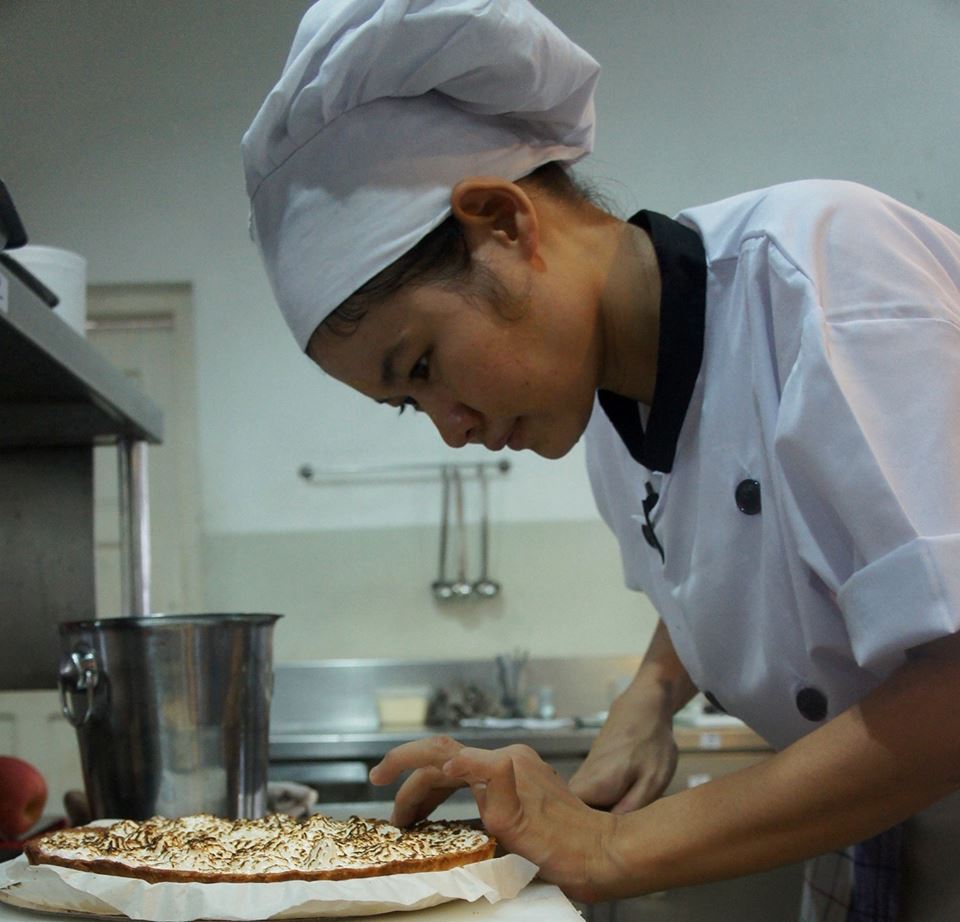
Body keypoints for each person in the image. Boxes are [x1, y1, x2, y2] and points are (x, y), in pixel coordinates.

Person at [242, 0, 960, 917]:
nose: (450, 429)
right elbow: (746, 553)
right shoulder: (610, 420)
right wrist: (650, 695)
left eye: (422, 366)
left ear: (503, 222)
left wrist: (616, 847)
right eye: (410, 406)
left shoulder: (818, 270)